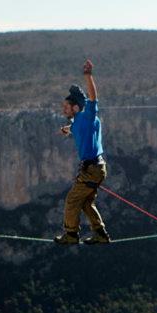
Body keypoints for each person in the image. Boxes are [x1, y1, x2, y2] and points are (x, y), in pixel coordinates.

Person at [54, 59, 111, 245]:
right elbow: (77, 126)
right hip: (96, 168)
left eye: (66, 107)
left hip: (92, 169)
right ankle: (100, 234)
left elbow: (93, 98)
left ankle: (71, 234)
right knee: (86, 203)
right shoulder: (79, 121)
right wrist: (68, 129)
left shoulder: (87, 117)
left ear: (76, 108)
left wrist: (88, 76)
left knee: (72, 201)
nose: (63, 110)